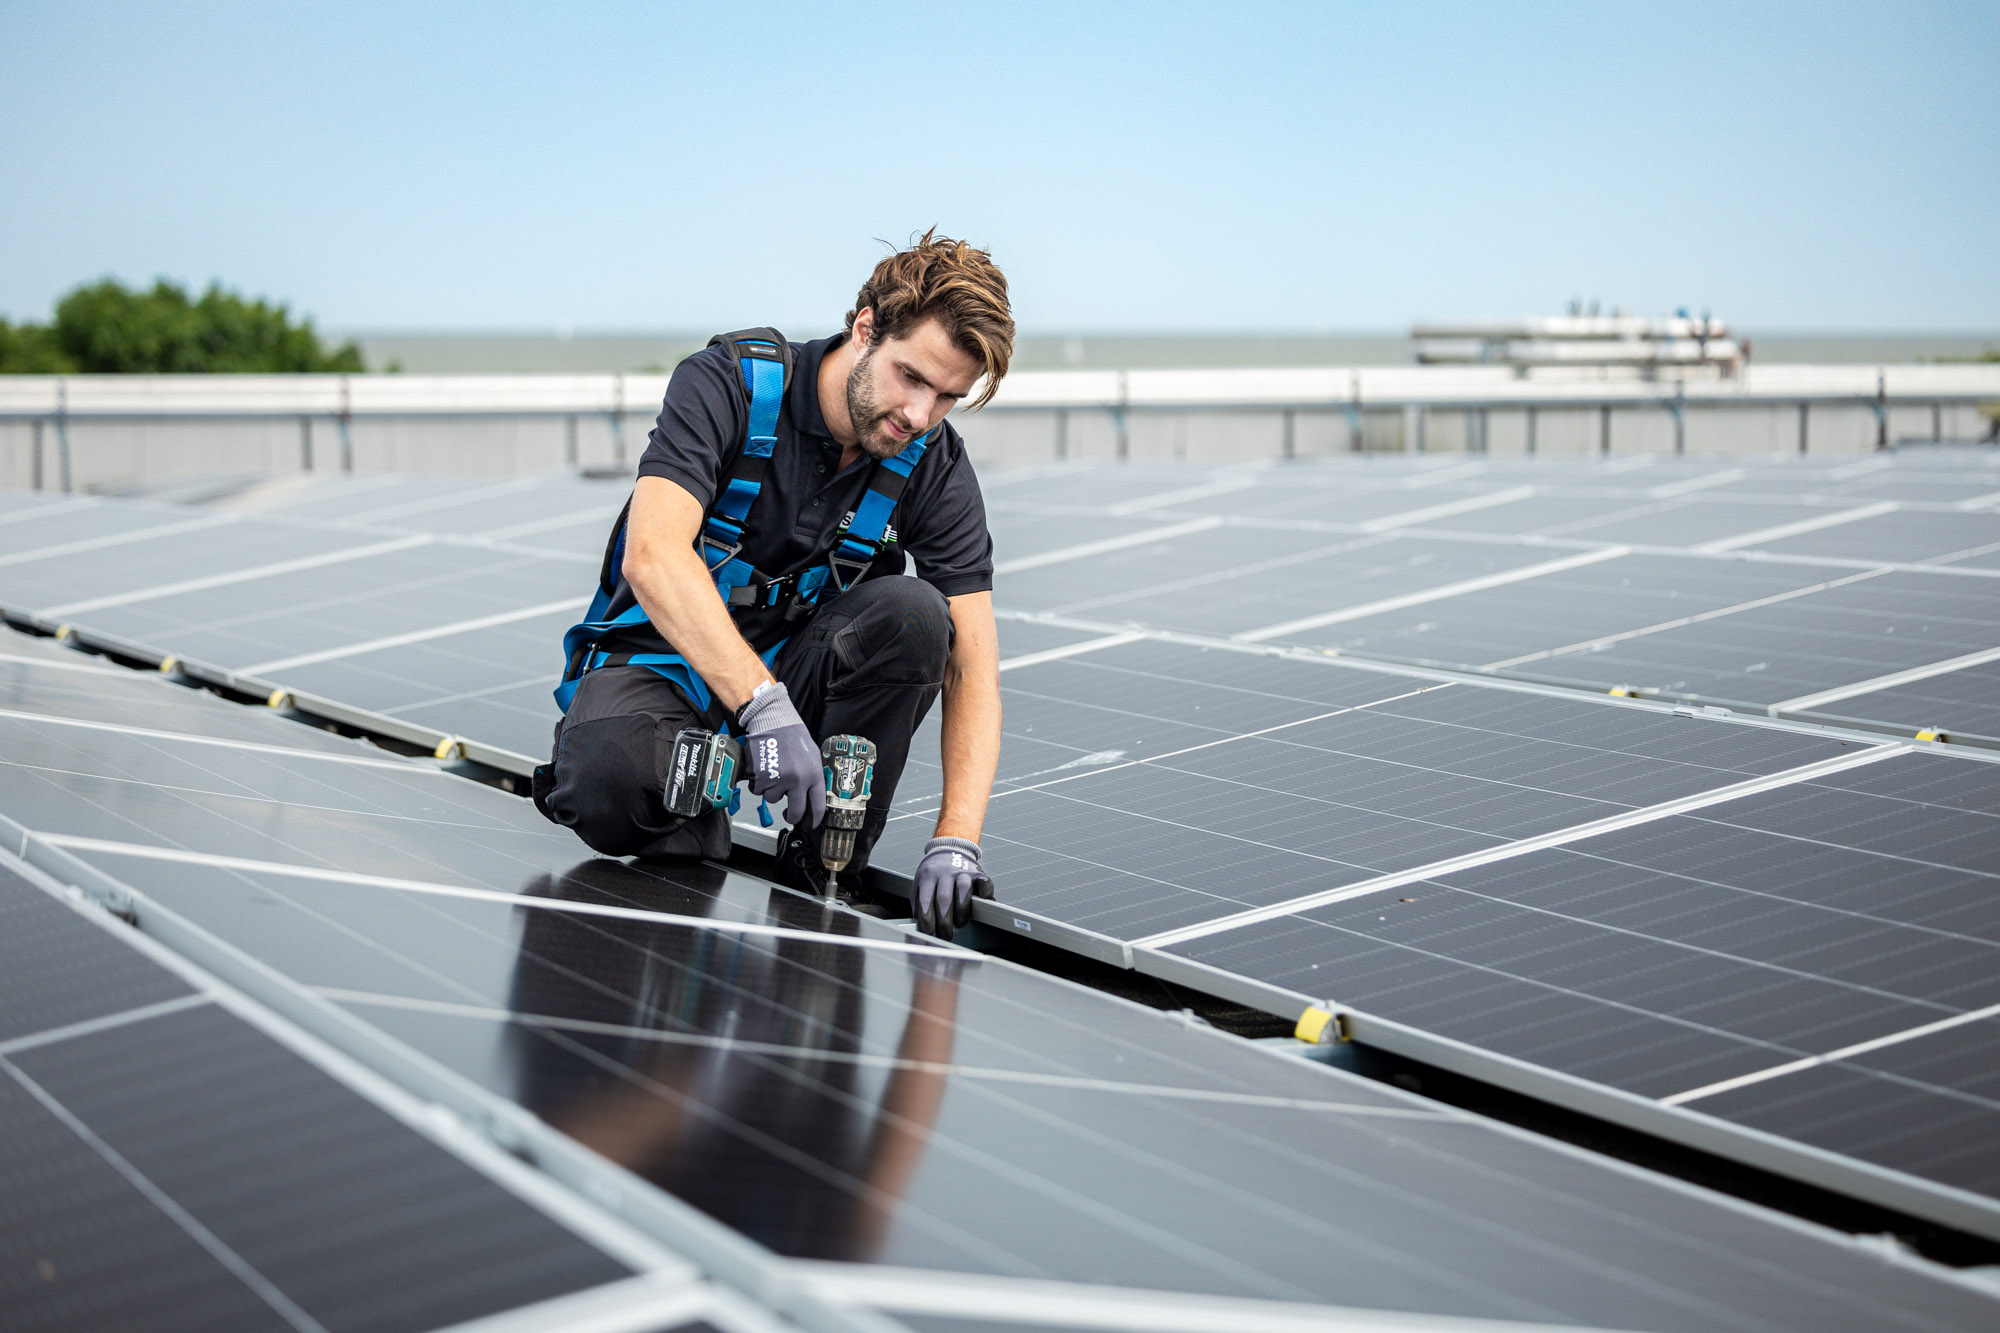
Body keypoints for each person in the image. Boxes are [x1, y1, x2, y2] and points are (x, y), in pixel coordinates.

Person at [533, 231, 1010, 938]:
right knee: (607, 777)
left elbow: (972, 666)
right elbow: (654, 554)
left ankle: (825, 860)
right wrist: (760, 708)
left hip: (803, 677)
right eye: (911, 377)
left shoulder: (931, 462)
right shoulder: (729, 383)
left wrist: (957, 837)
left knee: (917, 615)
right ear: (866, 327)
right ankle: (695, 807)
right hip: (667, 669)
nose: (919, 416)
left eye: (947, 397)